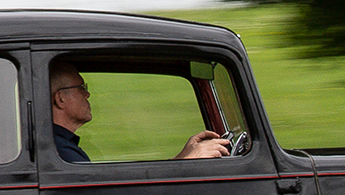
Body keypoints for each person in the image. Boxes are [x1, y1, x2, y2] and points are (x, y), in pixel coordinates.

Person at [50, 59, 231, 162]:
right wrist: (188, 162)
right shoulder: (61, 151)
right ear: (60, 99)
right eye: (81, 88)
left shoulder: (59, 146)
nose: (87, 94)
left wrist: (181, 159)